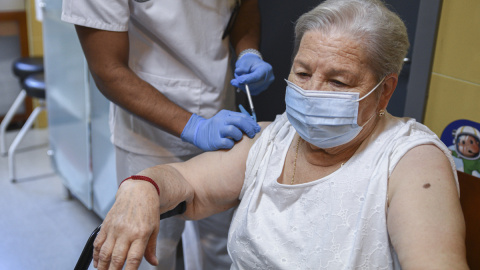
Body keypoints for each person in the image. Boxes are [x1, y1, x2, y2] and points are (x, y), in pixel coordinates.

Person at [90, 0, 469, 269]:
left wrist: (246, 49)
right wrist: (141, 186)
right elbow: (188, 182)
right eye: (302, 74)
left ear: (385, 90)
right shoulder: (276, 136)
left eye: (337, 81)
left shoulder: (411, 162)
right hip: (149, 121)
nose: (312, 91)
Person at [61, 0, 274, 269]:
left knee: (226, 248)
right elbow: (107, 69)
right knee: (150, 255)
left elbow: (244, 5)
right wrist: (194, 126)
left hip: (222, 117)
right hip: (149, 131)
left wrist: (248, 51)